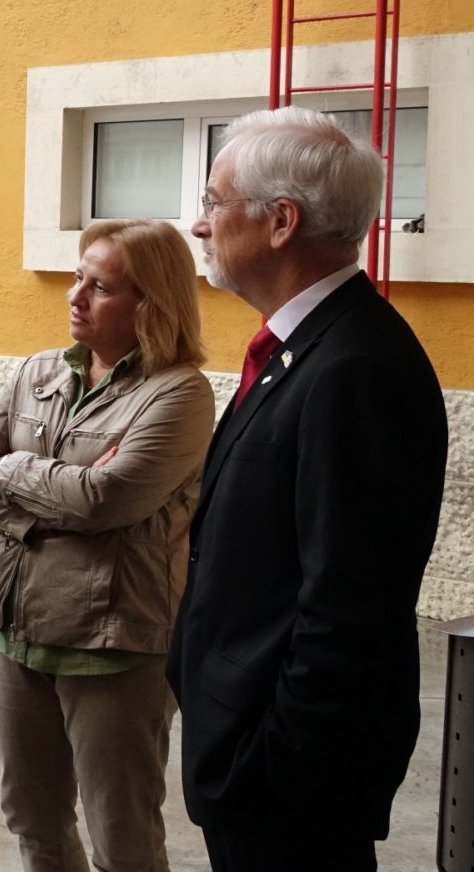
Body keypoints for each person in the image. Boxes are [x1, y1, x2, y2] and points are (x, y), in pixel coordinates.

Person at [168, 106, 446, 872]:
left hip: (288, 783)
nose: (199, 226)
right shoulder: (304, 347)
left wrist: (272, 762)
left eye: (215, 203)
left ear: (281, 221)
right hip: (248, 751)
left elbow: (349, 610)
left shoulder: (355, 367)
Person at [0, 218, 214, 872]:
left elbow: (111, 500)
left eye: (99, 287)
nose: (75, 295)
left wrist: (17, 471)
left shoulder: (178, 393)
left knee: (119, 833)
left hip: (112, 644)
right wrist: (46, 509)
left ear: (150, 304)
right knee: (31, 815)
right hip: (18, 629)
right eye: (79, 277)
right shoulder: (40, 371)